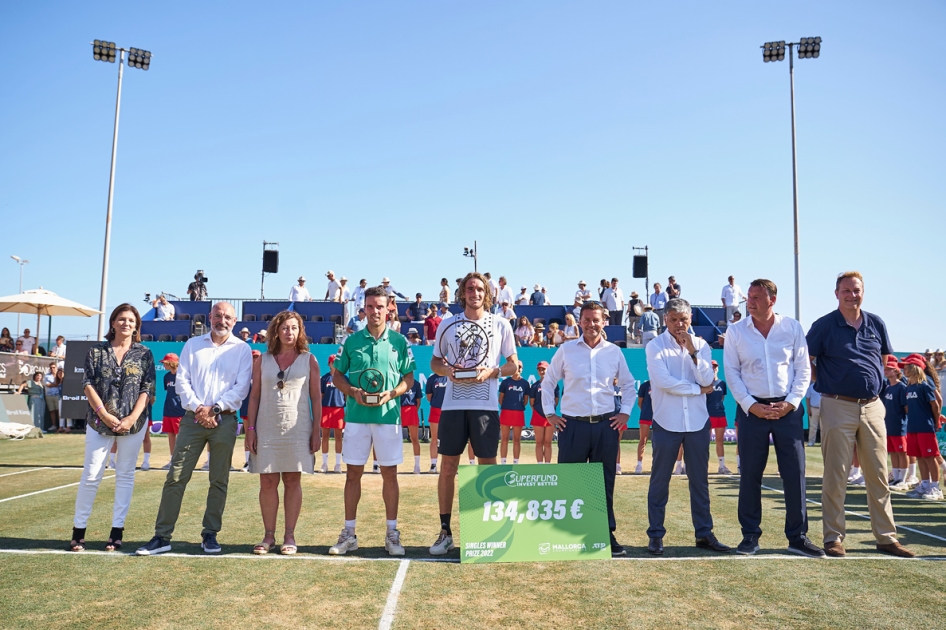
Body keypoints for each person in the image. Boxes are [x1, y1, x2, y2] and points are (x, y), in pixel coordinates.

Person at [806, 271, 914, 558]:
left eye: (856, 290)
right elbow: (806, 359)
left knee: (878, 473)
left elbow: (883, 360)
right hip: (837, 404)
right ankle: (833, 537)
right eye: (846, 290)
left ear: (863, 292)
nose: (851, 295)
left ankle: (887, 538)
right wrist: (822, 381)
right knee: (836, 474)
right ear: (836, 293)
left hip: (873, 406)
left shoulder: (876, 323)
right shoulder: (824, 325)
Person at [136, 302, 252, 556]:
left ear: (235, 321)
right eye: (218, 315)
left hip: (225, 421)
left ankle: (210, 534)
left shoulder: (242, 349)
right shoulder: (192, 345)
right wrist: (201, 409)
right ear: (210, 317)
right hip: (193, 420)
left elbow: (241, 388)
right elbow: (182, 382)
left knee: (219, 480)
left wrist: (216, 409)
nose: (222, 320)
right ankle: (162, 536)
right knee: (176, 477)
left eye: (228, 317)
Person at [723, 280, 822, 558]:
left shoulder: (792, 327)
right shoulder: (736, 331)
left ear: (773, 300)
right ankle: (750, 536)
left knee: (794, 474)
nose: (750, 302)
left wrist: (791, 403)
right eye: (749, 297)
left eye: (756, 297)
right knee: (750, 474)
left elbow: (803, 369)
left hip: (788, 411)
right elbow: (732, 372)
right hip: (752, 412)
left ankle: (798, 537)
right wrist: (750, 405)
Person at [428, 271, 517, 555]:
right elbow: (435, 362)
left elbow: (514, 365)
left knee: (486, 469)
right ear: (462, 293)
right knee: (448, 468)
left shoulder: (501, 324)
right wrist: (448, 371)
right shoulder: (447, 324)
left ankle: (486, 533)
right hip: (453, 406)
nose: (474, 293)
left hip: (486, 407)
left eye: (479, 289)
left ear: (487, 294)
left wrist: (494, 371)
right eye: (470, 289)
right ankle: (445, 531)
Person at [328, 286, 416, 557]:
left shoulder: (400, 342)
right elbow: (338, 376)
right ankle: (349, 533)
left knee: (390, 474)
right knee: (353, 474)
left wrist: (394, 393)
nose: (375, 311)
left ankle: (392, 533)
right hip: (356, 417)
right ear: (363, 309)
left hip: (388, 417)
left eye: (380, 306)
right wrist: (352, 391)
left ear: (388, 309)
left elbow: (409, 378)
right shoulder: (351, 341)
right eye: (370, 306)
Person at [543, 301, 635, 557]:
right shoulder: (566, 350)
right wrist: (550, 413)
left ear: (604, 321)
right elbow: (549, 381)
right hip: (572, 425)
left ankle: (605, 533)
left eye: (596, 320)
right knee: (569, 481)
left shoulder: (614, 352)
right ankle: (565, 534)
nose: (592, 324)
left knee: (604, 483)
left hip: (606, 425)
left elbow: (628, 385)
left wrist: (625, 411)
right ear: (579, 321)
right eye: (587, 319)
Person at [645, 298, 730, 557]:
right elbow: (664, 382)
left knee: (699, 482)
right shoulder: (655, 346)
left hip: (696, 422)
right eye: (673, 319)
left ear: (690, 318)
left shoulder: (702, 346)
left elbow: (708, 378)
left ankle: (704, 533)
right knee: (660, 481)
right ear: (665, 320)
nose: (679, 324)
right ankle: (656, 535)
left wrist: (693, 352)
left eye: (683, 319)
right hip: (666, 422)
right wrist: (698, 390)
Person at [69, 304, 155, 552]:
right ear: (113, 323)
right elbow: (87, 385)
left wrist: (130, 419)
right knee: (91, 474)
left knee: (125, 475)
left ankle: (116, 533)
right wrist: (104, 414)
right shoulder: (96, 351)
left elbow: (146, 389)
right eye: (121, 319)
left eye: (131, 320)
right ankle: (78, 532)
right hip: (98, 423)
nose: (126, 323)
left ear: (136, 325)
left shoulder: (144, 354)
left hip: (134, 424)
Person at [245, 311, 321, 555]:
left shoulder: (309, 359)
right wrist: (251, 429)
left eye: (294, 328)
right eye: (285, 328)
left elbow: (316, 398)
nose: (290, 332)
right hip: (266, 427)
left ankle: (290, 534)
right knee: (267, 480)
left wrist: (317, 430)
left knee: (292, 480)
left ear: (300, 331)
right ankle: (268, 536)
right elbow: (254, 396)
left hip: (298, 428)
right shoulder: (262, 360)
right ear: (276, 331)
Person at [902, 355, 943, 500]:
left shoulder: (925, 385)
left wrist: (935, 421)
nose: (904, 369)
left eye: (907, 366)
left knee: (929, 457)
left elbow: (935, 404)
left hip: (925, 427)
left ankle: (935, 488)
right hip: (912, 427)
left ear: (914, 368)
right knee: (920, 456)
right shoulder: (909, 387)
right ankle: (925, 485)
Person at [882, 356, 909, 490]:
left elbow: (906, 407)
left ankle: (903, 479)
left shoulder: (901, 387)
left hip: (899, 425)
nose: (886, 371)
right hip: (888, 425)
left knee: (902, 452)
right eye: (886, 368)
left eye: (890, 369)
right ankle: (896, 477)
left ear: (896, 371)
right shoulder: (887, 387)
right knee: (893, 452)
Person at [499, 362, 529, 465]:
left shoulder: (525, 383)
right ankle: (503, 463)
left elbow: (525, 401)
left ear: (522, 369)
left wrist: (518, 407)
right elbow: (501, 399)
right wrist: (508, 406)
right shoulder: (505, 382)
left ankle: (515, 463)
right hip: (506, 411)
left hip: (518, 413)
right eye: (517, 367)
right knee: (504, 439)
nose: (518, 369)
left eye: (520, 367)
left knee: (517, 439)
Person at [158, 353, 184, 470]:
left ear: (171, 363)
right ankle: (173, 460)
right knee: (171, 435)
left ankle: (181, 460)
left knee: (181, 437)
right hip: (168, 410)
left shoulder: (182, 376)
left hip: (180, 411)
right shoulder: (166, 377)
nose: (163, 365)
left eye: (165, 363)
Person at [320, 354, 345, 474]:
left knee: (338, 437)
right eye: (332, 362)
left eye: (336, 362)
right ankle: (324, 464)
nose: (334, 364)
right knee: (324, 437)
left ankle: (338, 464)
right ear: (329, 364)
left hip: (339, 409)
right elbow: (321, 395)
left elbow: (346, 395)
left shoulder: (344, 379)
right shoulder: (324, 379)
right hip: (326, 409)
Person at [530, 361, 559, 464]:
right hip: (538, 415)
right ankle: (539, 465)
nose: (542, 371)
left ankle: (547, 465)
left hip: (550, 416)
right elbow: (532, 403)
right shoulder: (534, 386)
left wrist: (549, 412)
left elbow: (556, 400)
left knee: (548, 442)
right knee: (539, 442)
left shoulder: (554, 385)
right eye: (540, 369)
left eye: (543, 369)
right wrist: (540, 412)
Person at [705, 361, 731, 475]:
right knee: (705, 442)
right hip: (707, 415)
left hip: (719, 414)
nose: (714, 369)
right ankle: (703, 466)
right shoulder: (705, 383)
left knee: (719, 441)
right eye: (712, 367)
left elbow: (722, 398)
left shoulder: (722, 383)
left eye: (715, 367)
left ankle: (721, 466)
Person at [425, 371, 448, 472]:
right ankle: (433, 465)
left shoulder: (450, 377)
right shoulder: (431, 379)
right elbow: (429, 397)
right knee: (435, 438)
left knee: (449, 439)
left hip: (449, 410)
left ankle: (447, 464)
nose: (444, 361)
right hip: (436, 410)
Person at [400, 374, 424, 474]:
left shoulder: (416, 383)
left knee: (414, 439)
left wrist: (413, 411)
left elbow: (418, 401)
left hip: (411, 409)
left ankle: (417, 466)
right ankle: (392, 465)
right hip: (399, 410)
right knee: (394, 439)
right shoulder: (397, 382)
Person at [635, 380, 654, 474]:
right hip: (646, 416)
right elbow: (640, 403)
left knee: (658, 441)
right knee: (643, 440)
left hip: (658, 417)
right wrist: (646, 411)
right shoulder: (644, 386)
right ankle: (639, 465)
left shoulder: (660, 384)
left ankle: (655, 465)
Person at [44, 361, 62, 432]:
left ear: (56, 368)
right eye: (51, 368)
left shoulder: (60, 374)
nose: (52, 369)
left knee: (58, 411)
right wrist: (56, 384)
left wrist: (53, 384)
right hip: (49, 395)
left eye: (54, 367)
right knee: (52, 411)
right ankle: (54, 425)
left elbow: (60, 383)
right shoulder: (47, 376)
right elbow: (47, 384)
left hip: (58, 395)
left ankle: (60, 426)